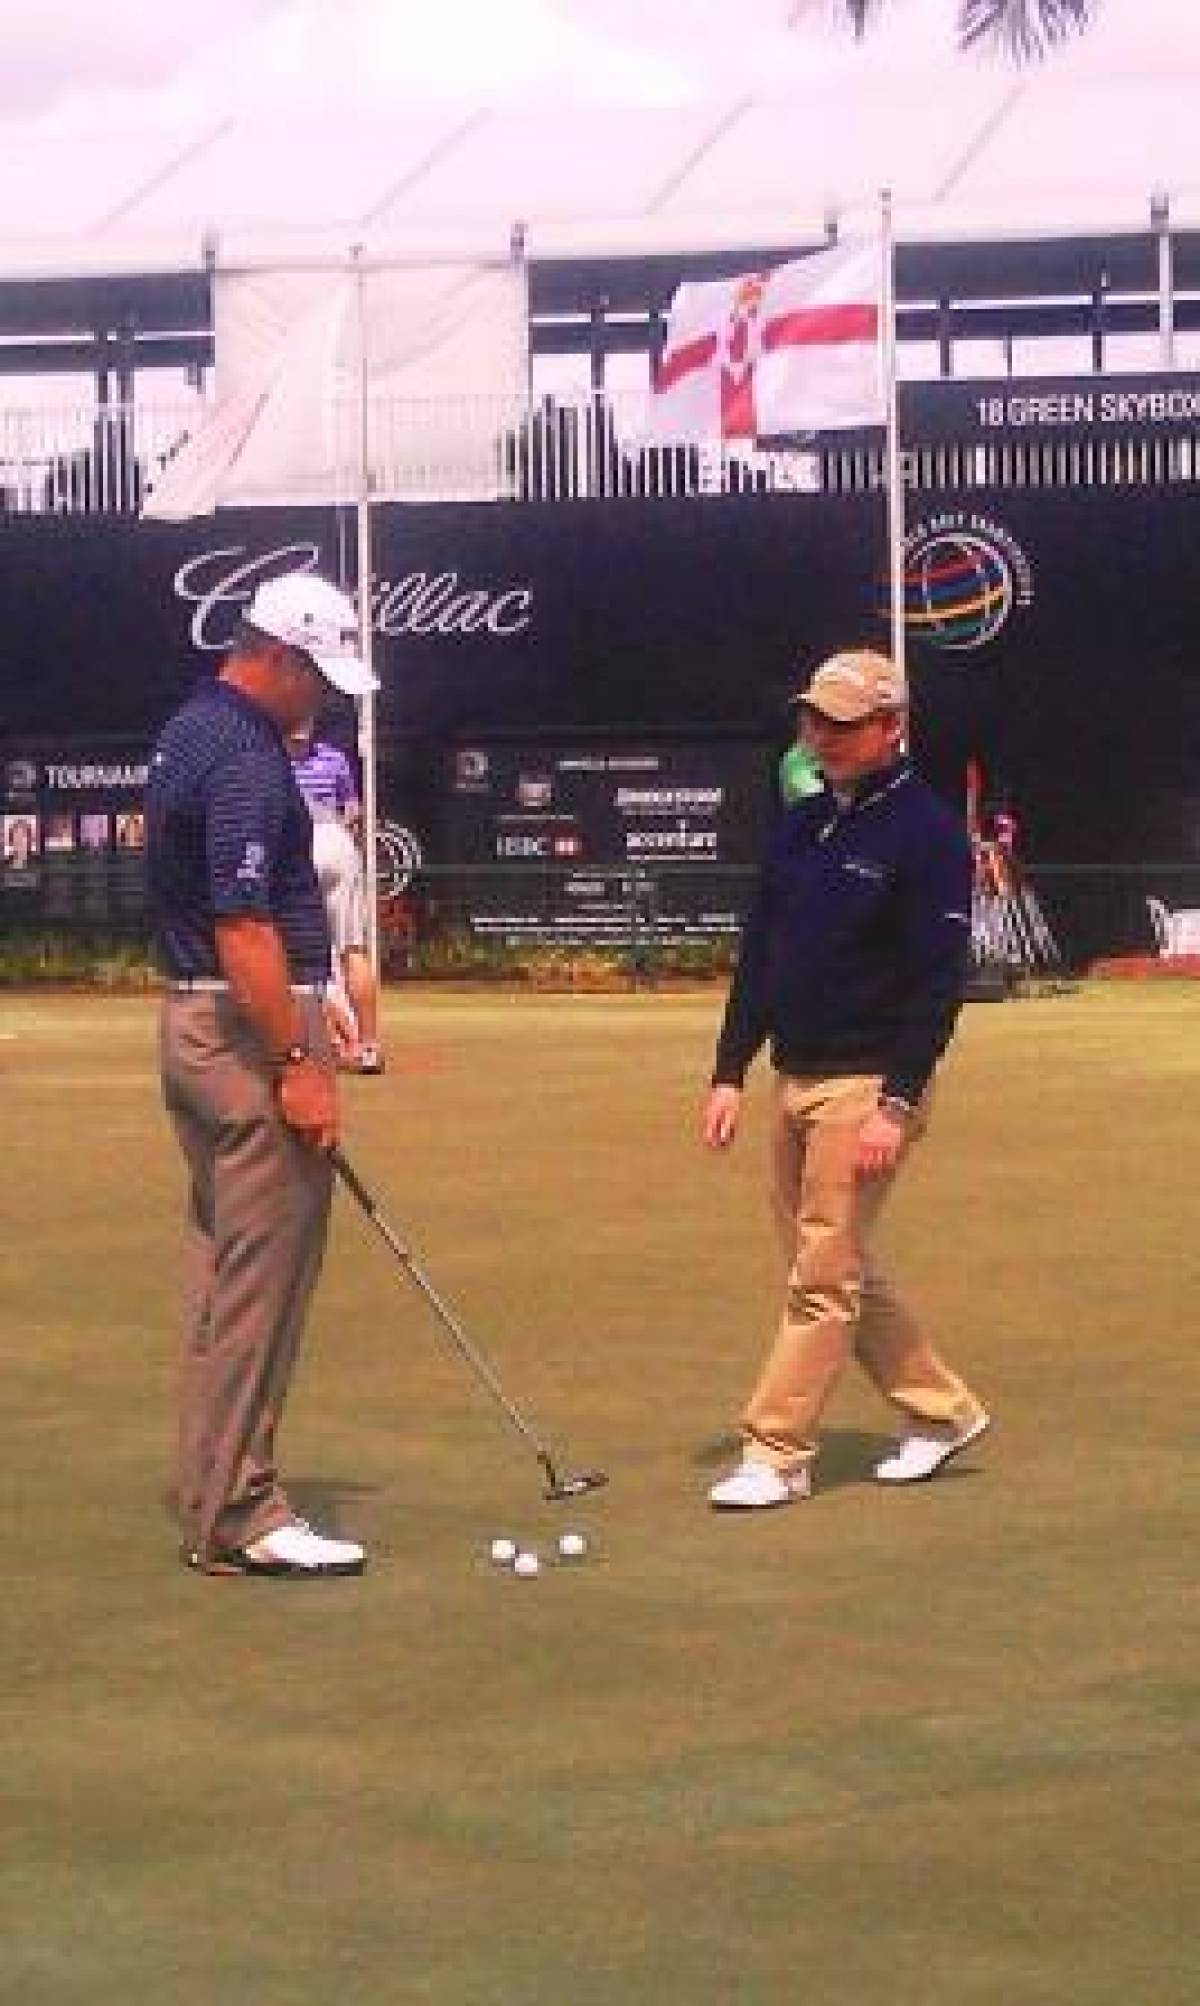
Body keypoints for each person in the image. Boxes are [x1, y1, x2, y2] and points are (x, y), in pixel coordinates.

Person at [704, 648, 990, 1509]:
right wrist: (728, 1071)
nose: (821, 735)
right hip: (796, 1074)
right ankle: (941, 1412)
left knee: (822, 1279)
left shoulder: (928, 834)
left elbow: (937, 983)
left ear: (891, 728)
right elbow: (761, 954)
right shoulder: (800, 824)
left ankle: (775, 1454)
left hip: (868, 1085)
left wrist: (896, 1104)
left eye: (842, 722)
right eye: (813, 719)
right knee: (827, 1262)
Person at [146, 569, 379, 1578]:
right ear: (277, 655)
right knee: (261, 1278)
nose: (320, 698)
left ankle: (211, 1481)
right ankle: (241, 1507)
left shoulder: (191, 725)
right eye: (315, 676)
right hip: (242, 1031)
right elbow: (243, 922)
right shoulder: (242, 751)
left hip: (196, 1023)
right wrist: (298, 1062)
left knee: (222, 1266)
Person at [287, 720, 385, 1075]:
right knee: (352, 950)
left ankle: (328, 1040)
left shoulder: (268, 760)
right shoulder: (335, 759)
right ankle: (368, 1045)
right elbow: (353, 813)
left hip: (300, 843)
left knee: (295, 953)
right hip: (337, 841)